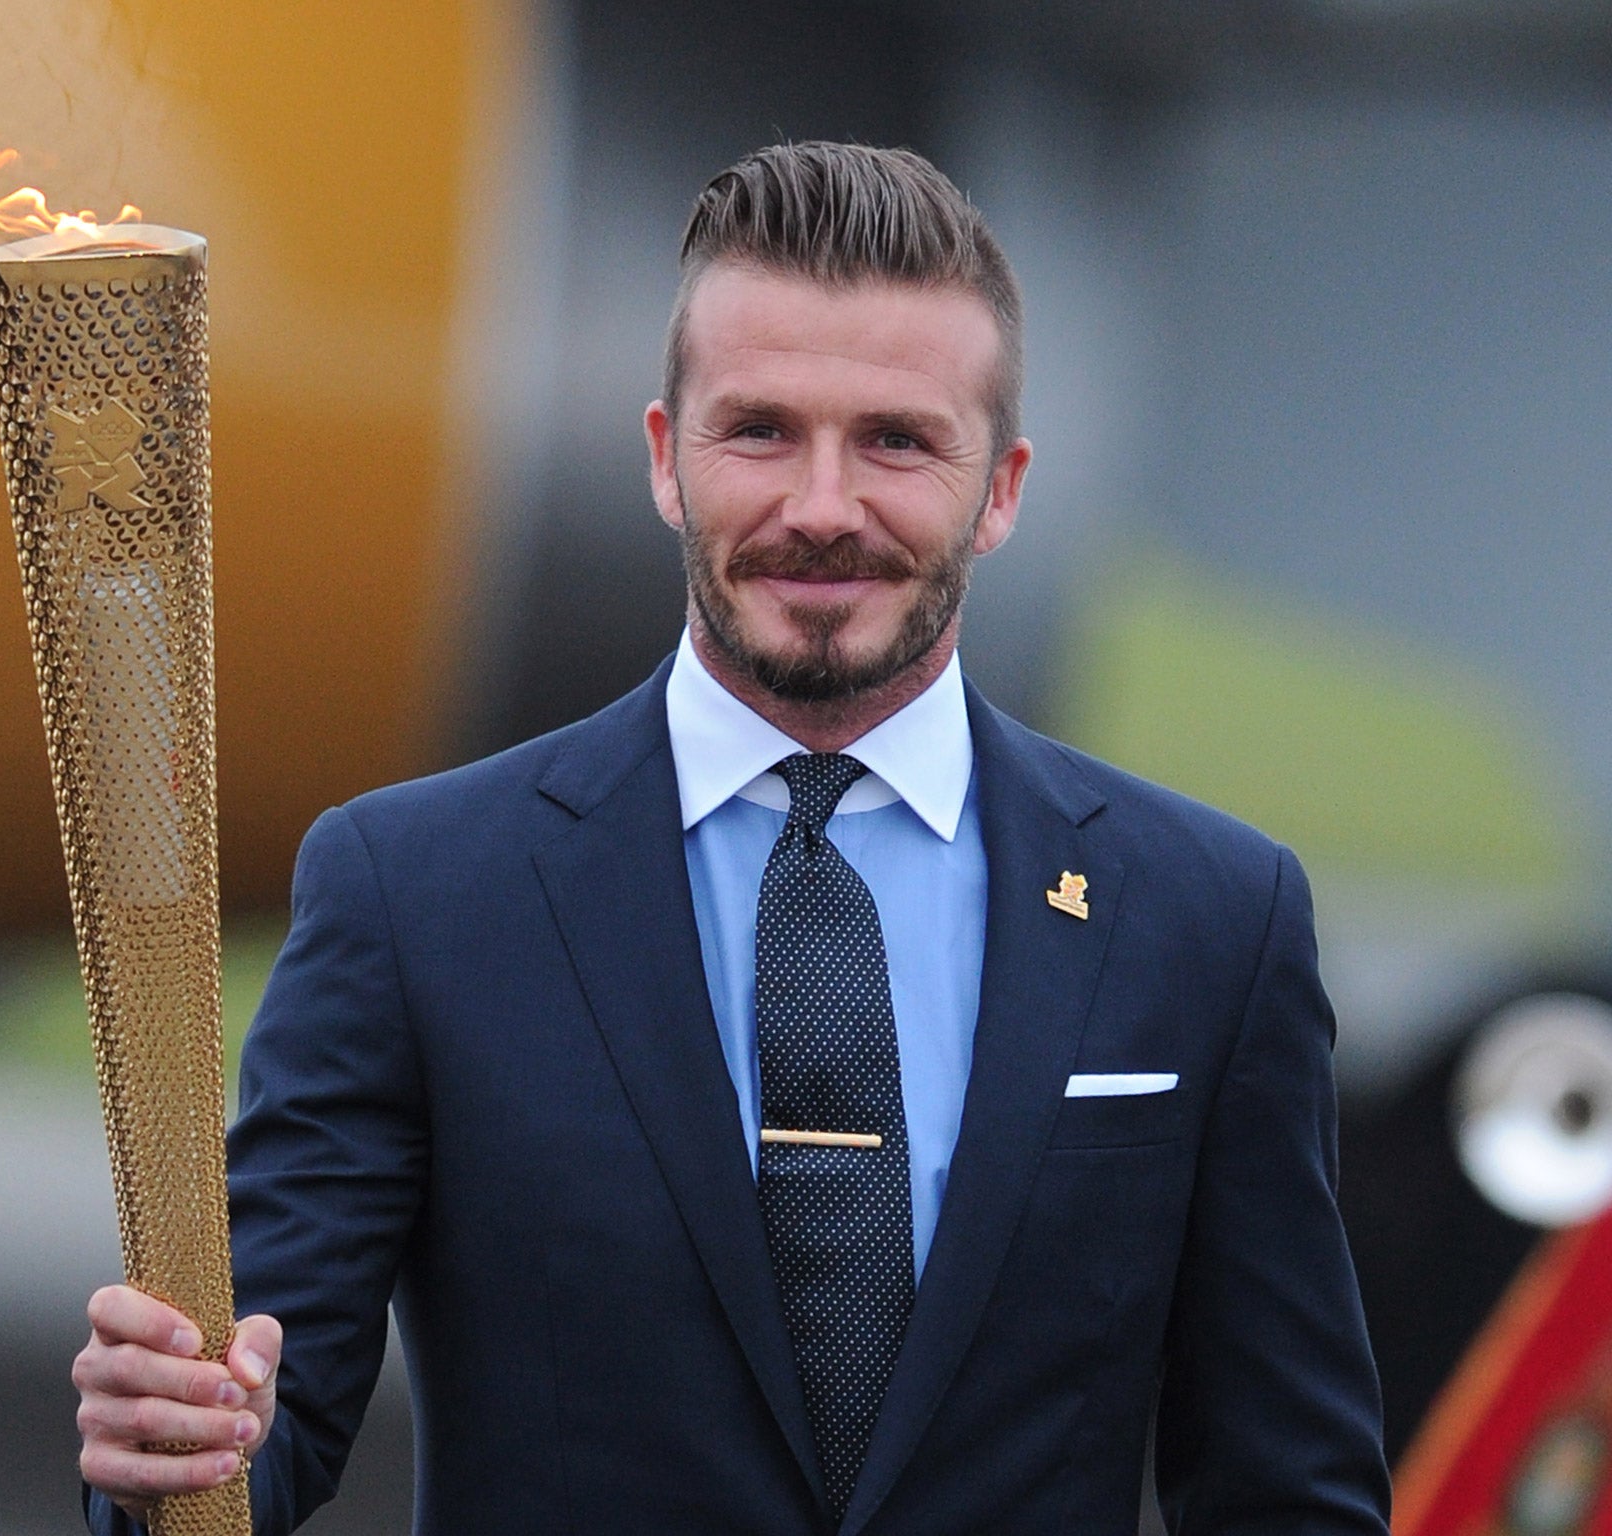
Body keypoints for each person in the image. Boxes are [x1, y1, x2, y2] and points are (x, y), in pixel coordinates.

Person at [75, 141, 1391, 1535]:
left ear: (1001, 489)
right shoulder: (416, 897)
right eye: (760, 430)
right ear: (665, 458)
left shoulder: (1208, 920)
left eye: (895, 440)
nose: (822, 510)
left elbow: (1287, 1491)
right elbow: (247, 1448)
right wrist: (177, 1453)